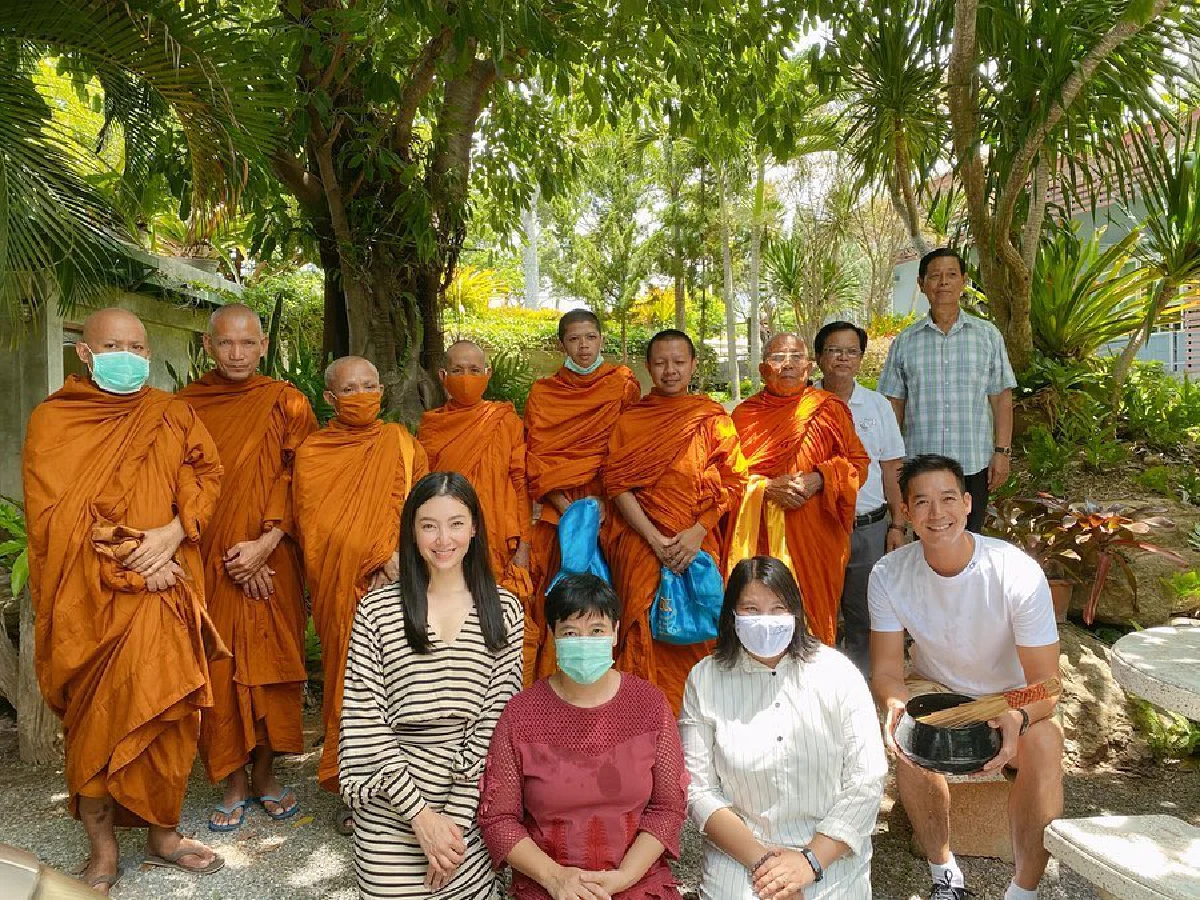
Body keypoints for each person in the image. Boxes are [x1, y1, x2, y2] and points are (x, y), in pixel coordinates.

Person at [22, 308, 226, 893]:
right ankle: (104, 848)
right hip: (92, 601)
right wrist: (140, 563)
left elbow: (207, 478)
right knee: (95, 727)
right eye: (113, 345)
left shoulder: (171, 414)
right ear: (84, 354)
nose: (128, 356)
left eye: (137, 346)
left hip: (166, 588)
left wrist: (170, 535)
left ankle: (163, 836)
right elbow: (56, 521)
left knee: (168, 717)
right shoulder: (54, 421)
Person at [868, 454, 1062, 900]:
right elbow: (886, 670)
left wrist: (1015, 716)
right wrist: (895, 707)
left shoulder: (1014, 571)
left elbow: (1049, 685)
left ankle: (1023, 890)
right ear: (906, 511)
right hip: (936, 690)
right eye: (922, 503)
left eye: (948, 499)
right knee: (909, 731)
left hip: (1008, 696)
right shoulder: (889, 573)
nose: (937, 515)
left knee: (1047, 742)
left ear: (968, 503)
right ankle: (945, 875)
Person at [339, 472, 524, 899]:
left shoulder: (505, 610)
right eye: (429, 525)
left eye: (456, 523)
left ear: (475, 528)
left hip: (468, 794)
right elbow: (365, 720)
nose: (444, 539)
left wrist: (452, 827)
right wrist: (420, 817)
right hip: (391, 792)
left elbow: (495, 725)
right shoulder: (377, 609)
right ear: (412, 531)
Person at [178, 303, 317, 831]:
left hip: (273, 557)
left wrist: (265, 543)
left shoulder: (287, 403)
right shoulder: (184, 406)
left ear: (263, 346)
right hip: (211, 556)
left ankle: (266, 776)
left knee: (275, 666)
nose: (237, 354)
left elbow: (300, 476)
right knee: (219, 664)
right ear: (208, 346)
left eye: (247, 344)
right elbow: (178, 484)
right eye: (225, 344)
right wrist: (232, 555)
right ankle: (233, 780)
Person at [679, 556, 886, 900]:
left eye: (778, 608)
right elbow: (698, 790)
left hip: (831, 851)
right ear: (731, 615)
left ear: (797, 613)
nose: (766, 620)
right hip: (742, 855)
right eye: (751, 609)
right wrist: (767, 865)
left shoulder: (837, 672)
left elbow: (868, 777)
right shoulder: (704, 679)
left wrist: (809, 863)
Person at [479, 573, 687, 900]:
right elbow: (499, 819)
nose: (584, 642)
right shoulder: (521, 714)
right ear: (552, 635)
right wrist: (556, 878)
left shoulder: (649, 705)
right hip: (547, 890)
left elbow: (668, 807)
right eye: (571, 632)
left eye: (597, 631)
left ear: (616, 632)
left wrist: (623, 877)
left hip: (638, 886)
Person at [293, 355, 429, 834]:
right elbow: (316, 527)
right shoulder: (313, 452)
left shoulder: (402, 444)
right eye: (349, 389)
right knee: (352, 690)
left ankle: (415, 791)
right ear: (330, 398)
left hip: (403, 580)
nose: (362, 395)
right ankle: (357, 792)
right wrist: (373, 558)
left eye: (370, 385)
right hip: (344, 588)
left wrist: (399, 560)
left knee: (406, 686)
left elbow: (423, 511)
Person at [603, 329, 748, 714]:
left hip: (697, 542)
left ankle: (701, 718)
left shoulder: (712, 418)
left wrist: (697, 534)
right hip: (641, 544)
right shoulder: (631, 421)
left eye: (679, 362)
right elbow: (617, 485)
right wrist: (653, 539)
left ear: (694, 365)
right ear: (649, 367)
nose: (670, 370)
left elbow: (734, 481)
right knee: (640, 627)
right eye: (661, 362)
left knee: (699, 629)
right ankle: (644, 722)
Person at [729, 333, 869, 646]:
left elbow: (858, 464)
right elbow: (728, 479)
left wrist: (820, 478)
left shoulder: (828, 409)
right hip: (762, 535)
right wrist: (765, 487)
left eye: (795, 356)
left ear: (808, 367)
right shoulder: (744, 416)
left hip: (818, 536)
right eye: (778, 357)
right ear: (764, 368)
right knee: (763, 619)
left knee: (814, 624)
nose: (787, 364)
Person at [523, 309, 641, 681]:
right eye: (574, 339)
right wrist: (568, 509)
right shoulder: (545, 393)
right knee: (559, 595)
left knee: (611, 594)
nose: (584, 346)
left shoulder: (621, 384)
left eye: (590, 337)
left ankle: (610, 680)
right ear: (562, 344)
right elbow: (537, 453)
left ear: (601, 339)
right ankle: (553, 679)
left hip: (611, 507)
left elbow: (629, 449)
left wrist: (607, 503)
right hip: (561, 511)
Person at [877, 248, 1017, 533]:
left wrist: (1002, 451)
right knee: (924, 545)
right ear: (921, 284)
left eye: (951, 275)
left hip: (973, 464)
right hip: (920, 466)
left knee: (969, 542)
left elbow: (1001, 397)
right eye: (935, 276)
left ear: (963, 281)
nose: (944, 283)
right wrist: (893, 461)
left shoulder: (987, 335)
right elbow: (894, 403)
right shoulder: (906, 341)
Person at [812, 321, 906, 677]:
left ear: (861, 358)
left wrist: (897, 524)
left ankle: (863, 690)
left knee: (865, 615)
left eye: (852, 351)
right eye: (835, 350)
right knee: (815, 611)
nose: (843, 358)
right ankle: (818, 690)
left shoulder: (878, 406)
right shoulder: (804, 405)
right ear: (820, 357)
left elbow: (892, 468)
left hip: (868, 528)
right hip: (816, 528)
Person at [418, 340, 533, 603]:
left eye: (474, 370)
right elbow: (424, 490)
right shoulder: (432, 427)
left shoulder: (504, 421)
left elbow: (519, 484)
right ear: (442, 376)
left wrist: (524, 544)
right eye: (458, 371)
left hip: (498, 538)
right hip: (447, 540)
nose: (467, 378)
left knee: (502, 614)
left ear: (487, 374)